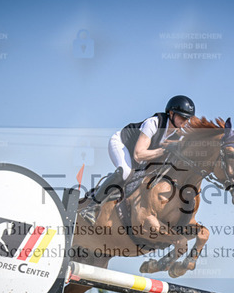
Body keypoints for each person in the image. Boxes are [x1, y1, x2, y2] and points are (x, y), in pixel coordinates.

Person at [80, 95, 195, 224]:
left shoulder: (177, 135)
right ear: (171, 113)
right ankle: (91, 207)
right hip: (123, 144)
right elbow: (138, 155)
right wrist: (164, 150)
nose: (185, 121)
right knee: (125, 172)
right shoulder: (154, 123)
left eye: (188, 119)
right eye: (183, 117)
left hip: (142, 156)